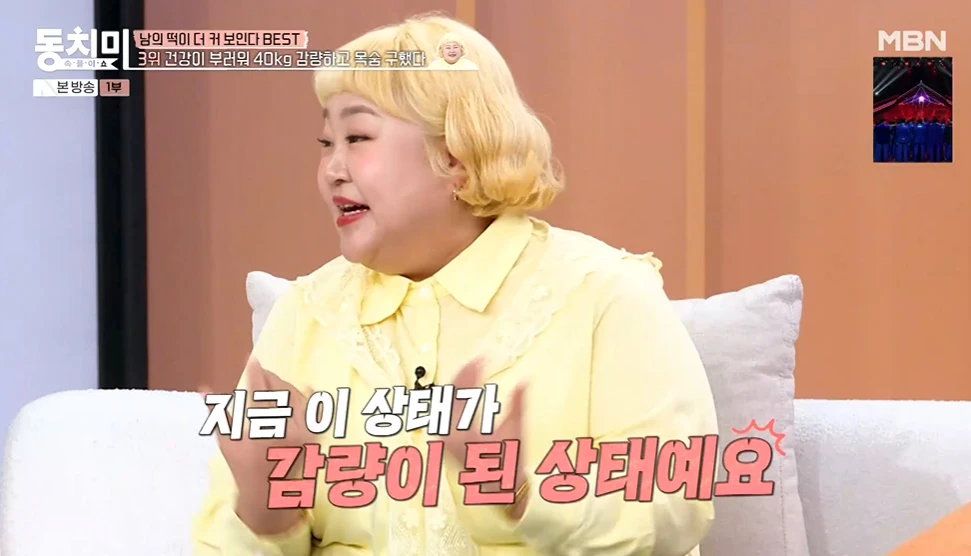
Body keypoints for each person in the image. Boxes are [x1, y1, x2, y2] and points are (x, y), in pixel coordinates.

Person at [192, 13, 718, 556]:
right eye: (327, 143)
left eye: (357, 137)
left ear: (456, 155)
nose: (332, 170)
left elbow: (675, 504)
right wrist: (267, 512)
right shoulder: (306, 312)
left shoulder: (603, 293)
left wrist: (520, 493)